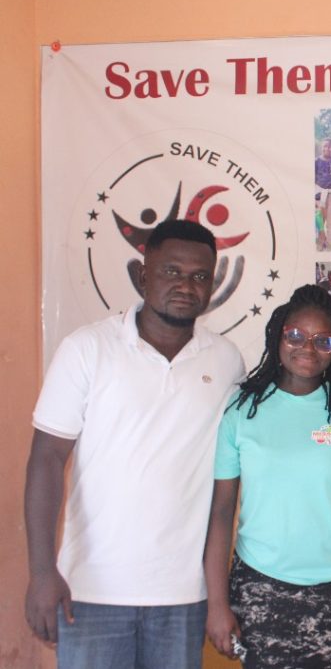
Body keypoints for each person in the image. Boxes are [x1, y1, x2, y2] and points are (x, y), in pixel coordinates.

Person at [25, 220, 245, 668]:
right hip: (92, 592)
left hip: (183, 596)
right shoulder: (87, 349)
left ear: (212, 285)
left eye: (200, 276)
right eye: (171, 271)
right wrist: (43, 572)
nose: (186, 285)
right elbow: (46, 460)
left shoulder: (226, 361)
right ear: (143, 275)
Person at [203, 285, 331, 667]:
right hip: (260, 588)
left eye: (323, 340)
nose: (308, 348)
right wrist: (217, 604)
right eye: (295, 335)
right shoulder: (242, 409)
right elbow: (222, 511)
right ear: (278, 336)